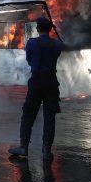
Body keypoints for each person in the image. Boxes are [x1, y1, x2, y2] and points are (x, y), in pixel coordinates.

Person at [9, 17, 75, 161]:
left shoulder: (31, 43)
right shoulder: (57, 45)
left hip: (37, 81)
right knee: (49, 118)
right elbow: (61, 48)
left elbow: (29, 60)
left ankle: (23, 147)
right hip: (51, 82)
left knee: (28, 114)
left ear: (38, 29)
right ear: (51, 29)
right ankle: (46, 151)